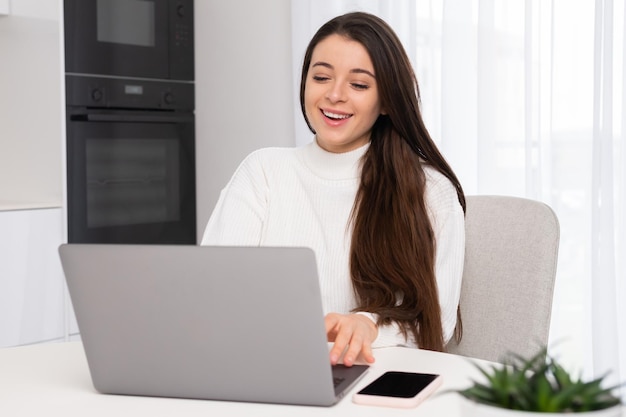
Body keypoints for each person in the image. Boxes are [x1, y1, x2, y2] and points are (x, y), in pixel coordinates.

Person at [201, 11, 466, 367]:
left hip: (373, 374)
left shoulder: (430, 191)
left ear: (387, 100)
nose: (335, 95)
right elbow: (212, 292)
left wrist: (369, 325)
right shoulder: (262, 172)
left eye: (359, 85)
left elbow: (437, 321)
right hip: (262, 366)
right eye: (321, 77)